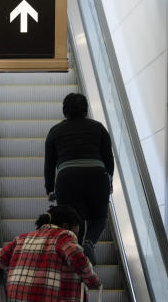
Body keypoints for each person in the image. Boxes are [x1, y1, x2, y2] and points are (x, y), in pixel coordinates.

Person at [43, 92, 114, 265]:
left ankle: (76, 255)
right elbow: (108, 159)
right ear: (86, 110)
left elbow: (49, 165)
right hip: (97, 175)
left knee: (75, 221)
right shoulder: (99, 128)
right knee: (98, 218)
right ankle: (89, 243)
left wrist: (50, 189)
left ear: (64, 111)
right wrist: (109, 180)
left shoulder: (55, 131)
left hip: (68, 179)